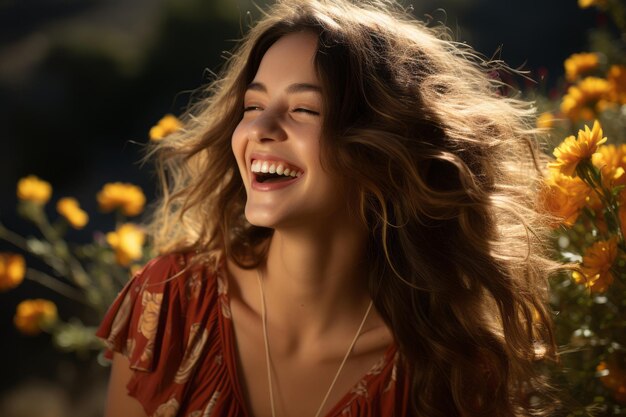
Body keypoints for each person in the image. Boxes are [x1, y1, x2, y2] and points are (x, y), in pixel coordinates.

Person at [96, 1, 560, 416]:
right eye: (254, 105)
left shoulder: (446, 369)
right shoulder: (172, 302)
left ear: (382, 149)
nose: (261, 129)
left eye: (304, 111)